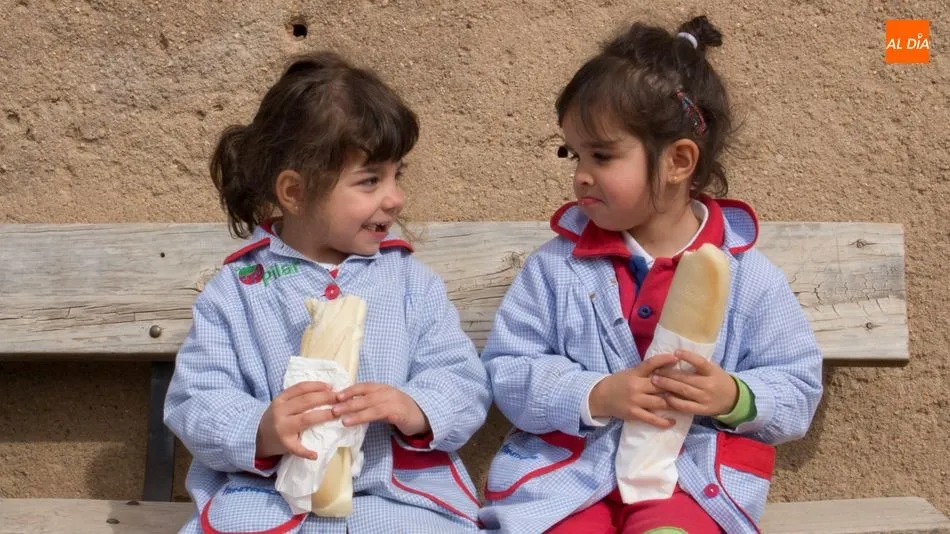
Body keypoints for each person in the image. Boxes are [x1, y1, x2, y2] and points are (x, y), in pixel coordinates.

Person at [479, 16, 823, 534]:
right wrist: (595, 394)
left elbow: (797, 385)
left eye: (602, 154)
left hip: (690, 483)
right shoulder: (558, 268)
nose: (581, 175)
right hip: (571, 480)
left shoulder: (748, 277)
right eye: (574, 154)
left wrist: (734, 396)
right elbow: (508, 368)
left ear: (679, 161)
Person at [164, 51, 490, 534]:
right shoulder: (237, 292)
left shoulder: (408, 283)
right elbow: (195, 399)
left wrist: (415, 407)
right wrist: (261, 428)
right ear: (294, 193)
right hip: (268, 502)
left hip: (394, 498)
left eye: (398, 174)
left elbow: (462, 379)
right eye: (369, 180)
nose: (394, 197)